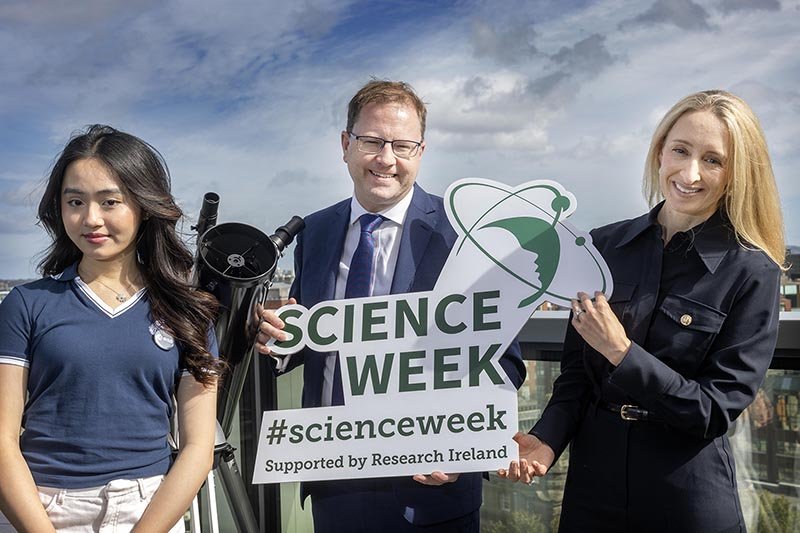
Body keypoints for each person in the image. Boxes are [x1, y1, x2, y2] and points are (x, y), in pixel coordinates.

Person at [500, 89, 784, 532]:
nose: (690, 173)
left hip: (687, 494)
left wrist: (621, 351)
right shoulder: (601, 247)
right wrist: (544, 441)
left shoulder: (752, 271)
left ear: (736, 173)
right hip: (593, 488)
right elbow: (577, 378)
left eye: (714, 160)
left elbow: (713, 410)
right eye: (681, 150)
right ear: (659, 152)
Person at [255, 80, 526, 532]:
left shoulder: (466, 237)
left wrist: (461, 444)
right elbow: (318, 337)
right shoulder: (316, 231)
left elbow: (504, 362)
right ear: (346, 145)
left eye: (402, 145)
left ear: (421, 151)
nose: (386, 159)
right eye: (372, 142)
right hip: (333, 479)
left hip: (431, 493)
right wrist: (280, 340)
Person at [0, 125, 221, 532]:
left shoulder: (189, 312)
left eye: (110, 201)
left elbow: (197, 448)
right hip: (43, 509)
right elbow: (2, 442)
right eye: (75, 201)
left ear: (144, 204)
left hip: (151, 509)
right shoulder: (26, 305)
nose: (90, 218)